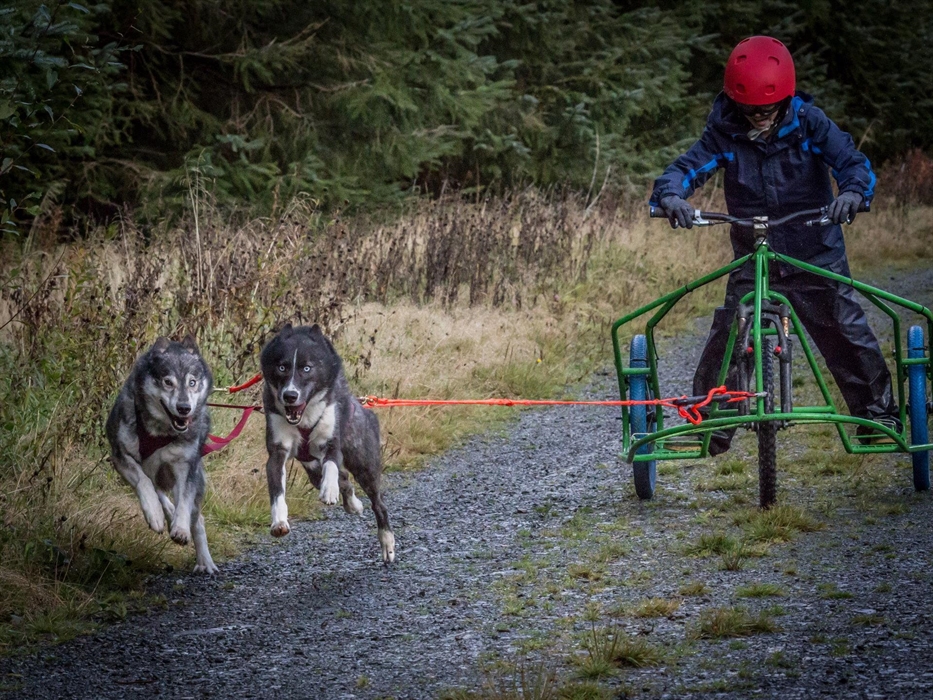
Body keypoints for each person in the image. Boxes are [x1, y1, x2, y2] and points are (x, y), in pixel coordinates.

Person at [649, 35, 900, 454]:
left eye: (766, 110)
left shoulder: (809, 123)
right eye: (750, 111)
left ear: (783, 100)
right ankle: (712, 422)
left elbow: (852, 163)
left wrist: (853, 194)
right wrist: (672, 197)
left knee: (843, 324)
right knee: (729, 329)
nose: (759, 118)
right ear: (736, 103)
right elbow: (684, 169)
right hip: (754, 254)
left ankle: (877, 415)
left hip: (814, 249)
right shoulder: (725, 132)